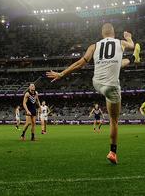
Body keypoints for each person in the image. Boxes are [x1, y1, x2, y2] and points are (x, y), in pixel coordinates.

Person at [46, 23, 138, 164]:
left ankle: (131, 59)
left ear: (102, 34)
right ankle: (113, 152)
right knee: (114, 121)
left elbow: (80, 64)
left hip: (97, 83)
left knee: (119, 63)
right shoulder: (121, 42)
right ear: (113, 33)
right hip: (112, 87)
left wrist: (61, 74)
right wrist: (128, 37)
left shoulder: (93, 46)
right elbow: (132, 45)